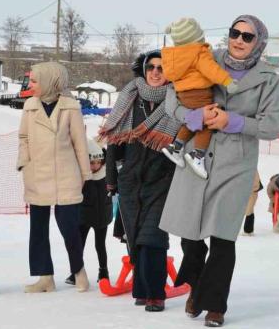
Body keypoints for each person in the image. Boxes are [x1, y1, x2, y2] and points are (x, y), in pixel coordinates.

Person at [160, 15, 279, 327]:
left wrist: (233, 121)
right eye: (235, 33)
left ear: (259, 42)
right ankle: (197, 286)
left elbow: (272, 125)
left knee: (222, 235)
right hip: (195, 155)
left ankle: (215, 304)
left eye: (247, 36)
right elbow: (171, 101)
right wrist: (195, 116)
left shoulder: (268, 79)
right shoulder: (202, 56)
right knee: (190, 233)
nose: (239, 40)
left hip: (236, 162)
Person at [101, 50, 181, 312]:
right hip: (130, 179)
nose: (156, 72)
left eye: (161, 68)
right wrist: (111, 180)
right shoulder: (129, 98)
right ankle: (141, 289)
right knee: (134, 236)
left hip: (163, 178)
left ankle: (155, 294)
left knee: (153, 236)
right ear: (144, 70)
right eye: (151, 68)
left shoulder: (177, 101)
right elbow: (114, 141)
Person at [18, 62, 91, 293]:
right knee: (38, 229)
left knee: (69, 227)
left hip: (65, 175)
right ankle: (45, 277)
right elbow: (23, 137)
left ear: (50, 81)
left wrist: (85, 173)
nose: (30, 85)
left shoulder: (70, 107)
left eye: (35, 81)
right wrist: (24, 161)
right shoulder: (30, 106)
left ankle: (79, 270)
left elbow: (80, 142)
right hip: (37, 174)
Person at [159, 17, 238, 179]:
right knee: (208, 121)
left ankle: (176, 147)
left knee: (194, 119)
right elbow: (211, 69)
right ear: (196, 37)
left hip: (183, 95)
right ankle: (198, 155)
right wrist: (227, 80)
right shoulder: (198, 52)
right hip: (200, 93)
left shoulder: (173, 56)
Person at [66, 138, 113, 285]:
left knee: (100, 245)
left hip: (102, 216)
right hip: (84, 216)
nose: (96, 166)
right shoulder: (83, 174)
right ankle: (77, 272)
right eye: (92, 163)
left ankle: (103, 271)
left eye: (98, 162)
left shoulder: (107, 173)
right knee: (79, 245)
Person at [242, 171, 263, 236]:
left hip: (251, 192)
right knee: (250, 211)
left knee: (249, 212)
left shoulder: (252, 170)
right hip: (250, 192)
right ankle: (249, 230)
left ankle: (248, 231)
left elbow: (255, 184)